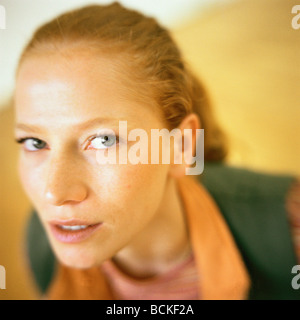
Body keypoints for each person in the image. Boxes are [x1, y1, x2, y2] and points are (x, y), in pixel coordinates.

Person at [14, 2, 299, 300]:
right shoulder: (45, 241)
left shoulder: (289, 230)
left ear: (180, 146)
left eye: (103, 140)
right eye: (34, 142)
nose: (54, 194)